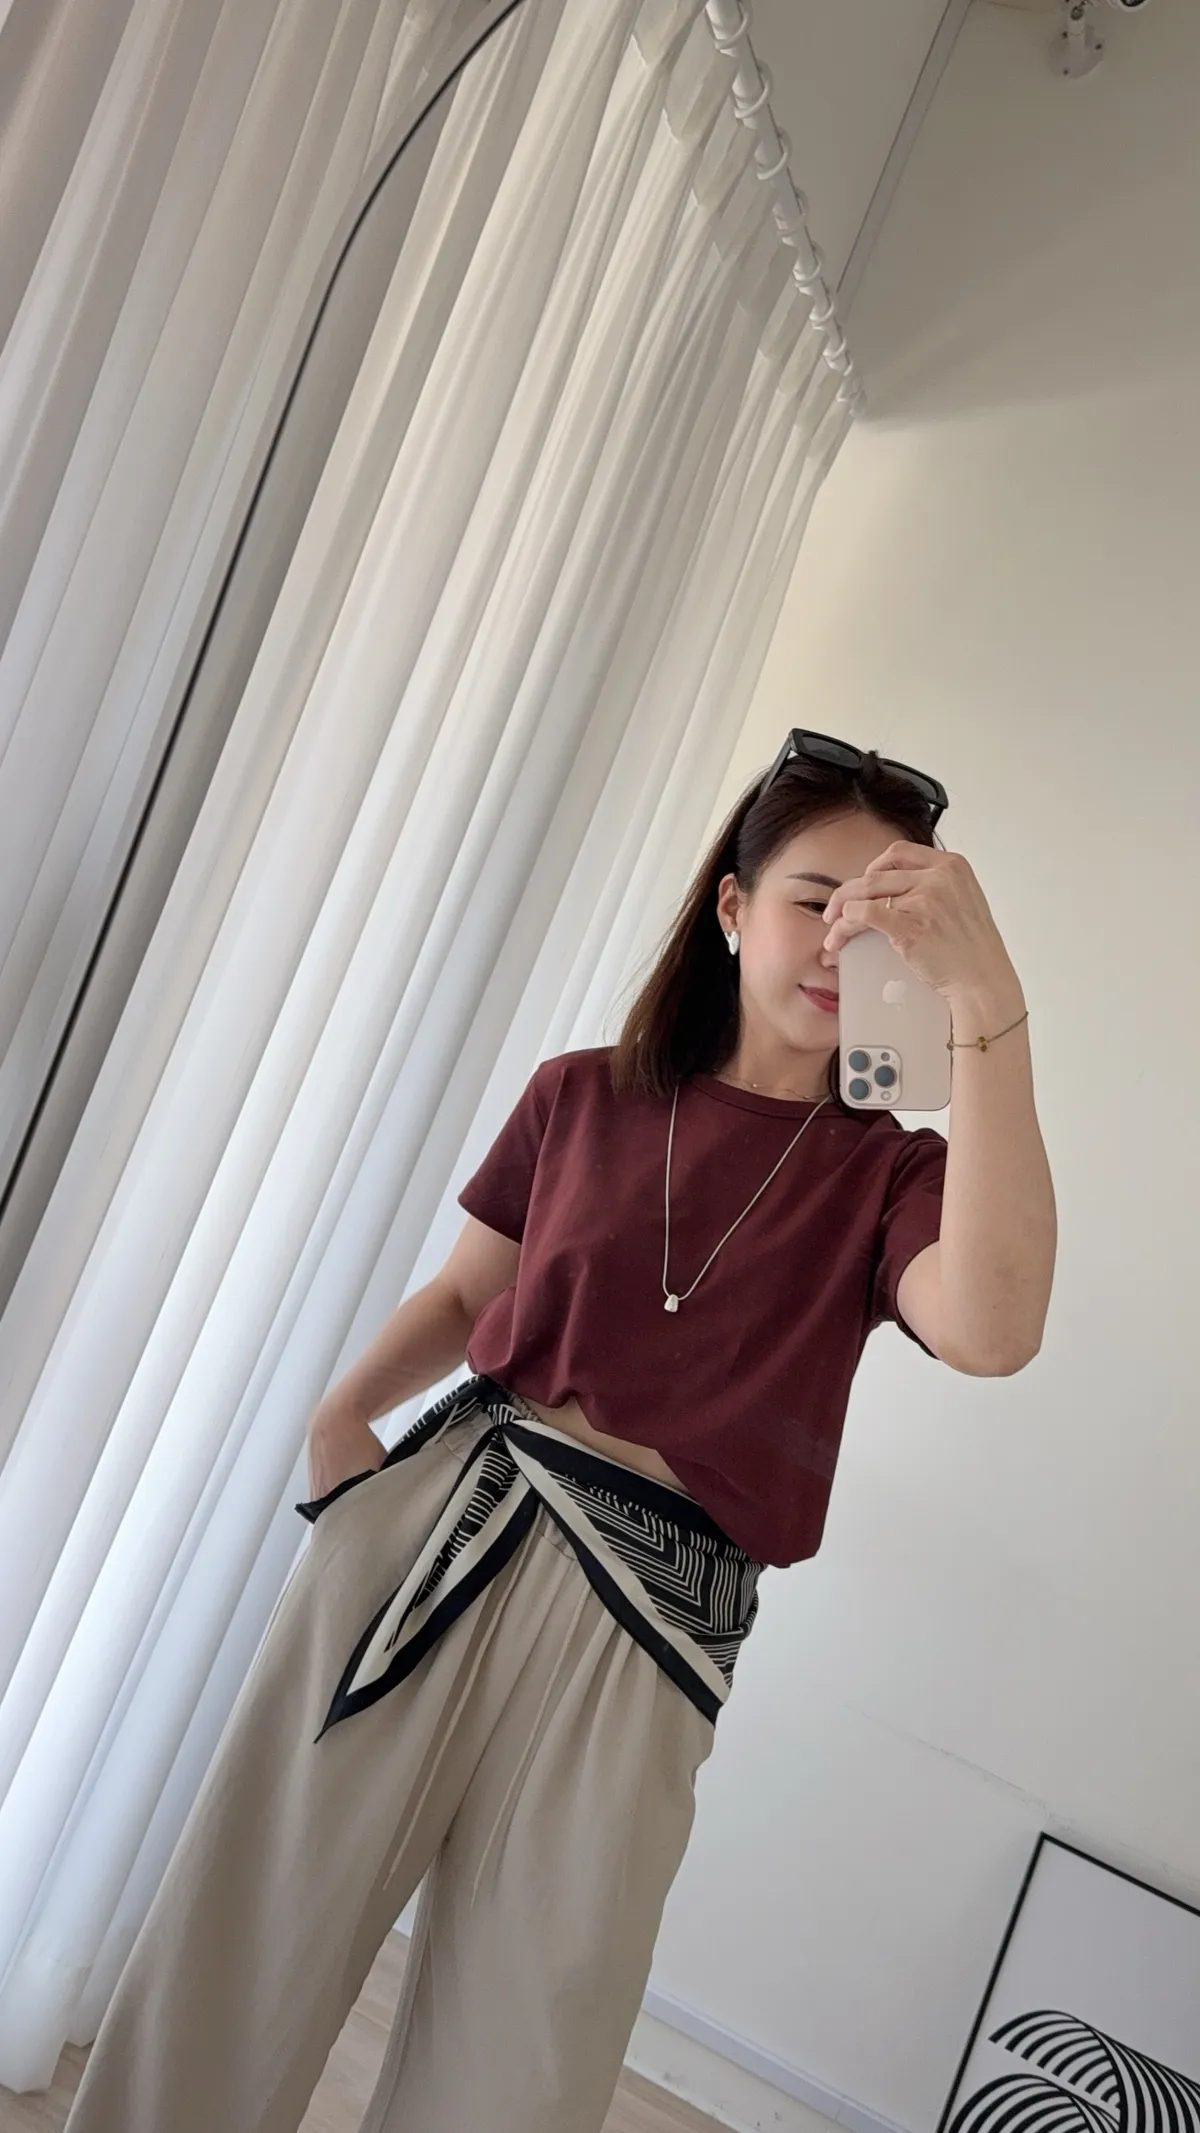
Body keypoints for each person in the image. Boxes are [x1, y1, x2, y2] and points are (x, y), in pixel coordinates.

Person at [63, 730, 1056, 2133]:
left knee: (524, 2054)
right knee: (244, 1942)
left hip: (649, 1623)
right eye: (813, 900)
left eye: (884, 923)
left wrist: (990, 1008)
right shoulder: (586, 1093)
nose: (844, 943)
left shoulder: (894, 1174)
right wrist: (340, 1412)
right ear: (733, 908)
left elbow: (994, 1330)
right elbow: (470, 1294)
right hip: (436, 1535)